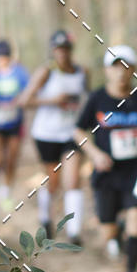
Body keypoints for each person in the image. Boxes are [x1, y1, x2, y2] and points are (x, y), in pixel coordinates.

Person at [74, 46, 137, 272]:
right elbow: (78, 131)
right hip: (107, 173)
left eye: (125, 66)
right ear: (106, 70)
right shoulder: (97, 99)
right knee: (108, 232)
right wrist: (94, 154)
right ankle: (116, 233)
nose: (120, 72)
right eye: (115, 67)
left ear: (133, 69)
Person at [19, 30, 88, 242]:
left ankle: (74, 231)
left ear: (71, 50)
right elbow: (24, 101)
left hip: (71, 134)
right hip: (46, 134)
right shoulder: (46, 72)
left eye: (65, 48)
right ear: (53, 50)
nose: (62, 53)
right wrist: (53, 101)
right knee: (53, 182)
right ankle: (45, 218)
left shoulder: (82, 72)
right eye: (58, 49)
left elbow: (88, 99)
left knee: (73, 180)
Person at [0, 40, 29, 210]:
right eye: (0, 57)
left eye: (5, 57)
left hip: (15, 122)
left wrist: (18, 101)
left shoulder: (19, 72)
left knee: (11, 160)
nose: (2, 60)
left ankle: (5, 192)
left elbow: (28, 91)